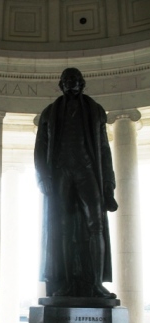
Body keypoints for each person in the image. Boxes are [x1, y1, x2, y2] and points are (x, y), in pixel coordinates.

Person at [34, 67, 118, 299]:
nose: (71, 83)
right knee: (63, 227)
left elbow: (104, 149)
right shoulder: (49, 113)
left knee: (96, 225)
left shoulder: (95, 111)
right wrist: (43, 177)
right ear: (61, 84)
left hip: (87, 170)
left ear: (82, 83)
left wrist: (109, 186)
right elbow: (40, 148)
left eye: (75, 79)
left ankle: (95, 284)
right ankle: (68, 283)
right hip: (60, 172)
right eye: (67, 80)